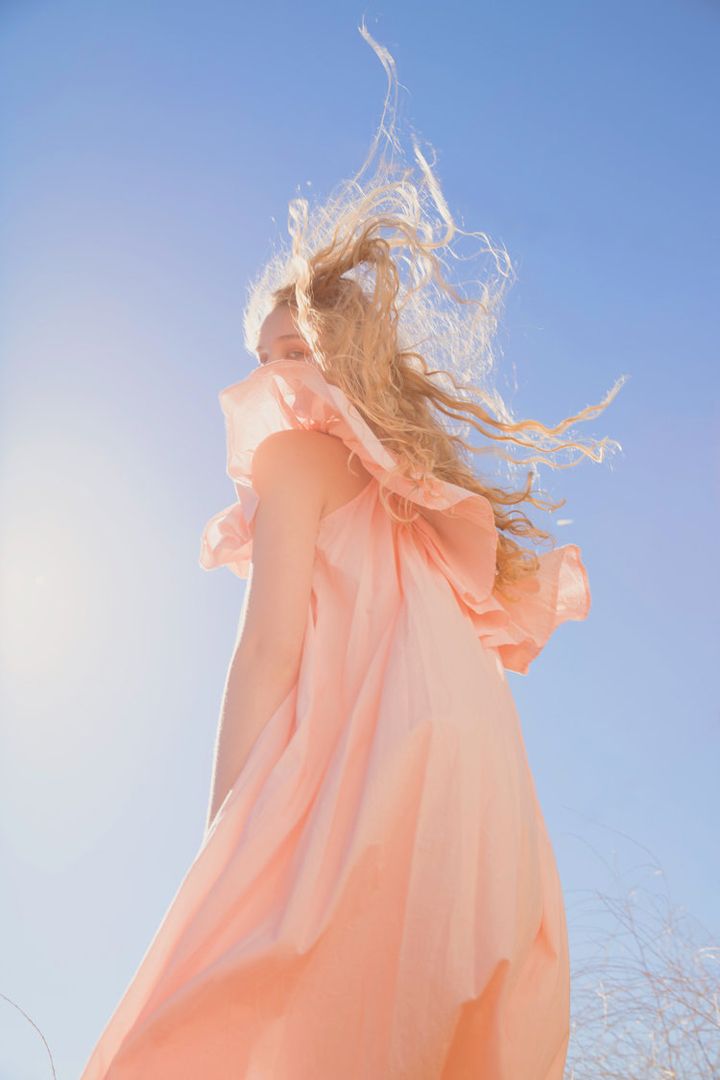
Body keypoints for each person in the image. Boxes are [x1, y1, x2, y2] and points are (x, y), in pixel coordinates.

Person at [78, 21, 624, 1080]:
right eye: (269, 357)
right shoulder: (423, 507)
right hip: (491, 822)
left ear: (333, 370)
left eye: (292, 354)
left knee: (211, 1023)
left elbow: (267, 650)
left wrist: (223, 834)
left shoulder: (295, 453)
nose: (279, 378)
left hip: (385, 785)